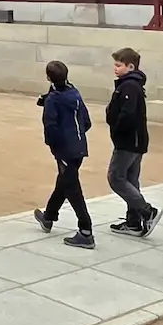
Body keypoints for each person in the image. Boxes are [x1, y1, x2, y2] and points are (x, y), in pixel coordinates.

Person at [34, 61, 95, 249]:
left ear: (48, 77)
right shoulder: (74, 93)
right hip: (79, 146)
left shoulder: (53, 100)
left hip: (64, 149)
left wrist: (55, 145)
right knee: (64, 181)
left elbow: (50, 127)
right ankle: (49, 216)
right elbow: (86, 121)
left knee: (72, 188)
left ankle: (86, 230)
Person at [105, 47, 161, 237]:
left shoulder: (129, 86)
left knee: (116, 177)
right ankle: (134, 221)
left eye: (119, 65)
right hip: (134, 140)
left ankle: (147, 211)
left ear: (130, 66)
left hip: (129, 141)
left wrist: (116, 129)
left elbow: (127, 114)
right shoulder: (129, 84)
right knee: (130, 179)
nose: (115, 68)